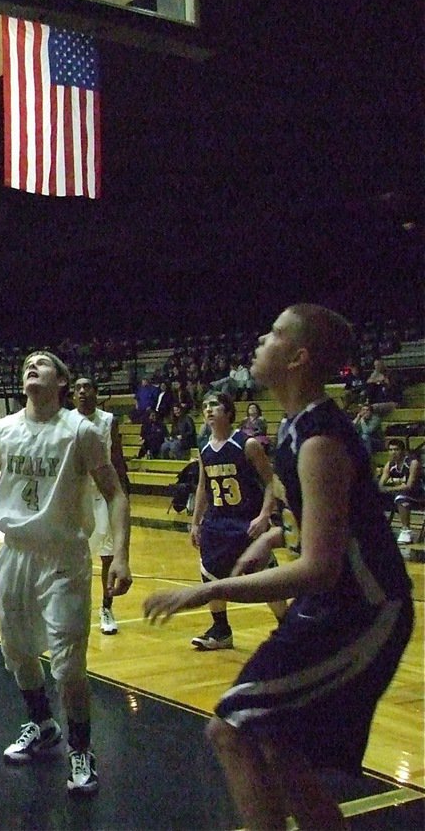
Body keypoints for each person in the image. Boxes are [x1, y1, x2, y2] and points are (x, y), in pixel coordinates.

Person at [144, 304, 413, 831]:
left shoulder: (319, 442)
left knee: (232, 730)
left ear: (298, 357)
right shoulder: (293, 429)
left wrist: (208, 591)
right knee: (274, 747)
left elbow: (319, 567)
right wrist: (269, 535)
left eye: (275, 334)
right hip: (334, 606)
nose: (261, 340)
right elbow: (319, 522)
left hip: (365, 611)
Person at [0, 351, 131, 796]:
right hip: (15, 554)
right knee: (18, 653)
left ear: (61, 381)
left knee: (69, 665)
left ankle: (81, 749)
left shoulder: (81, 431)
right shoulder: (4, 430)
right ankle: (43, 725)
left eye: (43, 362)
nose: (32, 365)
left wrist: (120, 554)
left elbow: (116, 495)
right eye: (27, 362)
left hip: (63, 557)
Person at [186, 392, 288, 650]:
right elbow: (203, 487)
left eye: (215, 405)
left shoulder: (248, 444)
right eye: (205, 405)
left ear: (229, 412)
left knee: (266, 579)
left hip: (246, 521)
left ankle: (288, 628)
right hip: (217, 522)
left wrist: (264, 515)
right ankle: (221, 630)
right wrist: (196, 522)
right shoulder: (204, 447)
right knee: (210, 576)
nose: (209, 410)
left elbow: (270, 482)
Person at [72, 377, 131, 635]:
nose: (83, 391)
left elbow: (117, 459)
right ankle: (73, 609)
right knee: (76, 556)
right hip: (77, 496)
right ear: (73, 395)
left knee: (108, 555)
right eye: (78, 388)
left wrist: (123, 494)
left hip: (105, 493)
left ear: (96, 392)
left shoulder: (108, 421)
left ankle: (106, 607)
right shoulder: (66, 421)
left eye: (87, 387)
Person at [378, 439, 422, 545]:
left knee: (401, 497)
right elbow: (380, 485)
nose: (393, 452)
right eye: (391, 450)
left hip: (418, 493)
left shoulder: (413, 463)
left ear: (403, 451)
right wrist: (394, 484)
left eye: (396, 449)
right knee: (372, 496)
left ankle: (406, 531)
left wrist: (390, 487)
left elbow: (409, 486)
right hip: (399, 492)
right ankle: (376, 529)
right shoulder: (389, 465)